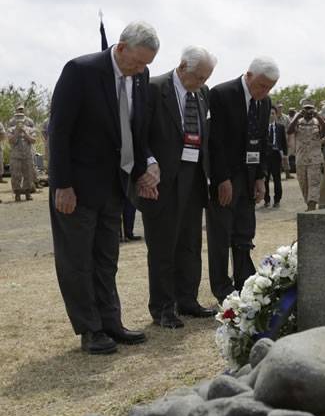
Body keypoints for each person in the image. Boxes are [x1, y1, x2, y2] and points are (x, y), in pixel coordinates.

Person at [49, 21, 160, 354]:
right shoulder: (80, 71)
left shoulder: (138, 77)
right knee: (77, 261)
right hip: (78, 188)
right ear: (121, 47)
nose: (141, 70)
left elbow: (135, 131)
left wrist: (143, 169)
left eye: (147, 65)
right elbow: (60, 132)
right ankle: (90, 328)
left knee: (106, 258)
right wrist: (62, 185)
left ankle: (111, 321)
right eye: (137, 62)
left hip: (115, 185)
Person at [139, 45, 218, 329]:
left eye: (207, 78)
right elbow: (139, 133)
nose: (202, 83)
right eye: (199, 77)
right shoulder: (153, 88)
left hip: (195, 175)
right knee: (163, 245)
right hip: (162, 177)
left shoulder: (203, 93)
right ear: (183, 66)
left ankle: (187, 299)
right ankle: (163, 307)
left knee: (190, 242)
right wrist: (147, 165)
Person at [206, 56, 278, 303]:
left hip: (249, 176)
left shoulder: (264, 102)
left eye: (269, 87)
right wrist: (222, 179)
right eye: (261, 85)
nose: (264, 91)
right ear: (248, 76)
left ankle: (244, 279)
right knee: (221, 234)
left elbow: (263, 143)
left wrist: (260, 177)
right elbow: (214, 141)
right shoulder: (222, 94)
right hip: (225, 177)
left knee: (244, 231)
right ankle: (221, 286)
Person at [288, 99, 325, 211]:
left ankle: (312, 206)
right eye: (306, 108)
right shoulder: (298, 121)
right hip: (301, 159)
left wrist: (319, 117)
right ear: (302, 109)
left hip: (315, 159)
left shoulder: (318, 121)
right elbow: (289, 131)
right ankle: (309, 204)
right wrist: (297, 116)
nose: (308, 110)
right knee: (303, 185)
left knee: (314, 184)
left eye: (310, 108)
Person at [7, 104, 36, 201]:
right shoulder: (11, 128)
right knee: (16, 175)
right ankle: (17, 193)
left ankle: (28, 193)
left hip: (27, 154)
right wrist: (16, 132)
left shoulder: (29, 128)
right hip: (15, 156)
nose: (20, 116)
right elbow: (10, 141)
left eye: (21, 111)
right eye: (18, 112)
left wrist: (25, 132)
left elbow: (33, 140)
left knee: (28, 174)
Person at [264, 107, 288, 208]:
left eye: (273, 113)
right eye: (269, 113)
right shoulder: (263, 127)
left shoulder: (280, 127)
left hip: (276, 155)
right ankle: (267, 200)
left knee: (277, 178)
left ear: (276, 115)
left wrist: (285, 155)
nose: (271, 115)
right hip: (265, 156)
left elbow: (283, 142)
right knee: (265, 179)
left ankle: (277, 199)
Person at [275, 103, 293, 179]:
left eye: (281, 107)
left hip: (284, 140)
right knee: (275, 157)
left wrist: (289, 140)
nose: (280, 109)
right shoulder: (273, 116)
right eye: (279, 107)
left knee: (286, 156)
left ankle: (287, 174)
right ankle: (276, 174)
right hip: (275, 140)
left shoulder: (286, 118)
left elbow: (290, 129)